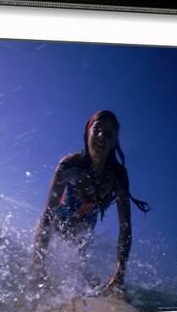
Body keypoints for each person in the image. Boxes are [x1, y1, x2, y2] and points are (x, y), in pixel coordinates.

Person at [32, 110, 150, 296]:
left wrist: (119, 275)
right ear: (88, 132)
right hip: (62, 217)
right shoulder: (69, 165)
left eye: (109, 133)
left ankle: (87, 285)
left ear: (114, 141)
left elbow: (125, 227)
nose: (103, 136)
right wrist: (38, 266)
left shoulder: (118, 176)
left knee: (79, 258)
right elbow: (48, 214)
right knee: (60, 234)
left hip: (87, 221)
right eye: (98, 130)